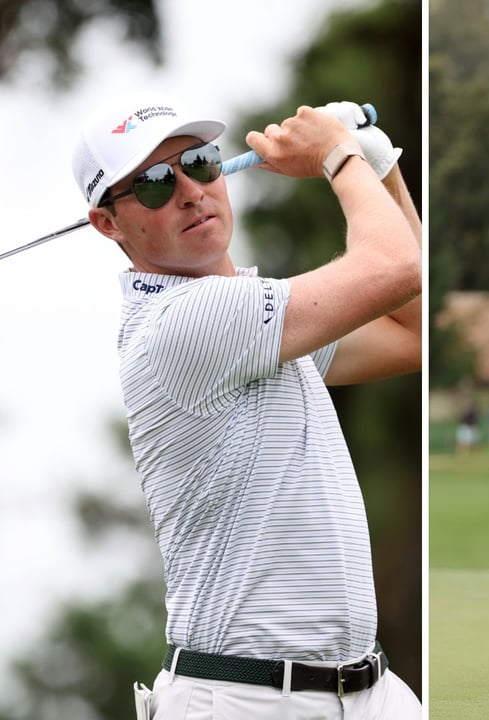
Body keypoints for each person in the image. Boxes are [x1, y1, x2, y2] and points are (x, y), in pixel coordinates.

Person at [73, 93, 423, 718]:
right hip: (246, 699)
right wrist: (338, 156)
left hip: (368, 691)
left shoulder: (254, 320)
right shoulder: (184, 321)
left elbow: (413, 331)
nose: (190, 192)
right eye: (153, 184)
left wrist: (378, 167)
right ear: (108, 223)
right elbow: (396, 268)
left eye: (199, 163)